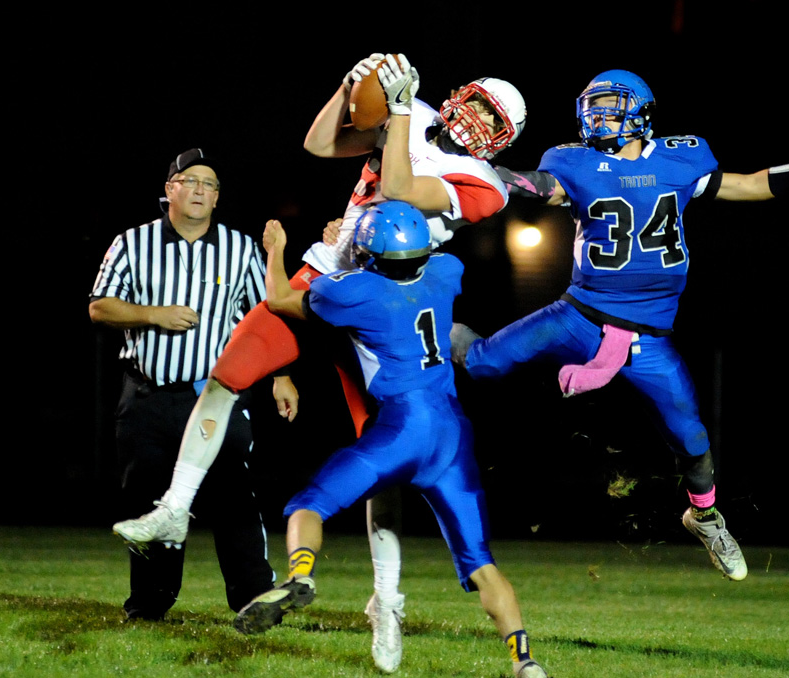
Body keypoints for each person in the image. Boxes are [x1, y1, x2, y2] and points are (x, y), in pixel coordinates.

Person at [110, 54, 527, 671]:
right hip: (331, 270)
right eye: (475, 103)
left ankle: (387, 601)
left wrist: (402, 111)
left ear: (502, 139)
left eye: (490, 118)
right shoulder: (422, 114)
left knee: (379, 456)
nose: (471, 120)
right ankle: (175, 506)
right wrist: (348, 87)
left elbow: (405, 189)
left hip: (380, 302)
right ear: (459, 94)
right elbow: (318, 142)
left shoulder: (486, 184)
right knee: (228, 373)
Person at [453, 70, 789, 581]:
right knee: (482, 362)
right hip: (580, 314)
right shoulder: (573, 161)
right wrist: (483, 172)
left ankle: (704, 516)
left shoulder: (681, 156)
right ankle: (420, 317)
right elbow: (540, 188)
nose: (596, 114)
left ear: (640, 111)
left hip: (648, 336)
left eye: (609, 104)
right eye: (593, 105)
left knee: (691, 439)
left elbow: (745, 184)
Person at [233, 202, 549, 678]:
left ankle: (299, 576)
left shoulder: (356, 291)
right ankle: (524, 661)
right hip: (452, 433)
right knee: (481, 562)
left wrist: (276, 250)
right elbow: (423, 254)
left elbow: (279, 299)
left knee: (310, 503)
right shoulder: (445, 272)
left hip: (401, 428)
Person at [90, 148, 276, 620]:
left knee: (234, 494)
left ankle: (254, 601)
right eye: (190, 181)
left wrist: (283, 377)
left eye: (209, 185)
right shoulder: (133, 243)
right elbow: (100, 306)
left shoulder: (239, 248)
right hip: (148, 396)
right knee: (149, 504)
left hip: (215, 396)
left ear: (217, 198)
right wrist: (152, 315)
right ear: (169, 189)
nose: (200, 190)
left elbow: (263, 320)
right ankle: (150, 605)